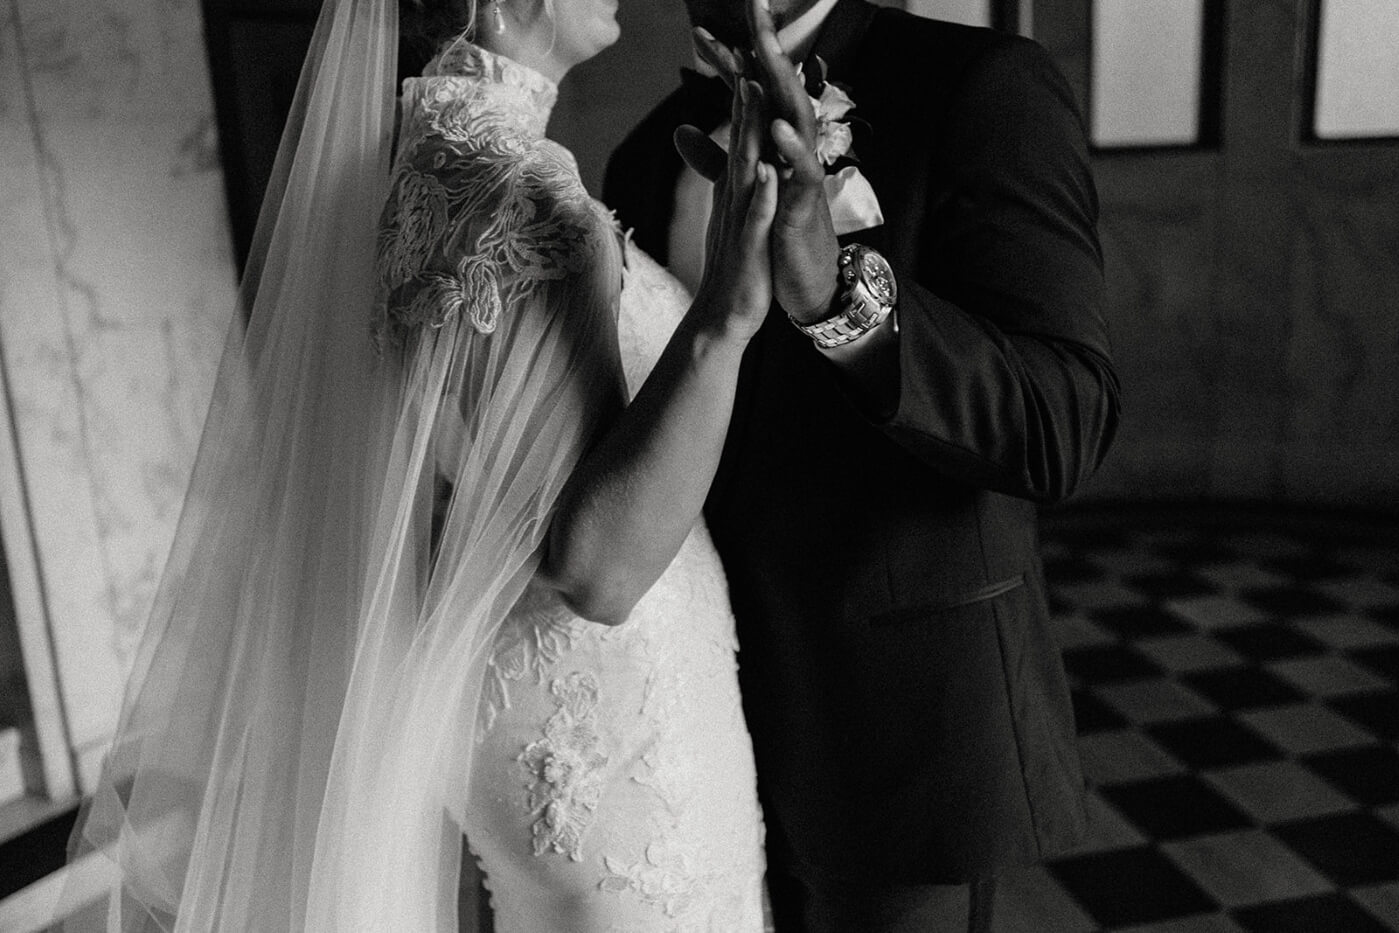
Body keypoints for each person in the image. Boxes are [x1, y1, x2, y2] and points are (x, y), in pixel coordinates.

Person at [63, 0, 779, 929]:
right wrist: (724, 313)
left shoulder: (413, 166)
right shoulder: (513, 191)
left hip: (531, 698)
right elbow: (597, 572)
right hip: (614, 718)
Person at [605, 0, 1121, 929]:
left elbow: (1061, 420)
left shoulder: (977, 85)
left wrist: (836, 296)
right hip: (686, 742)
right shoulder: (644, 154)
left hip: (902, 744)